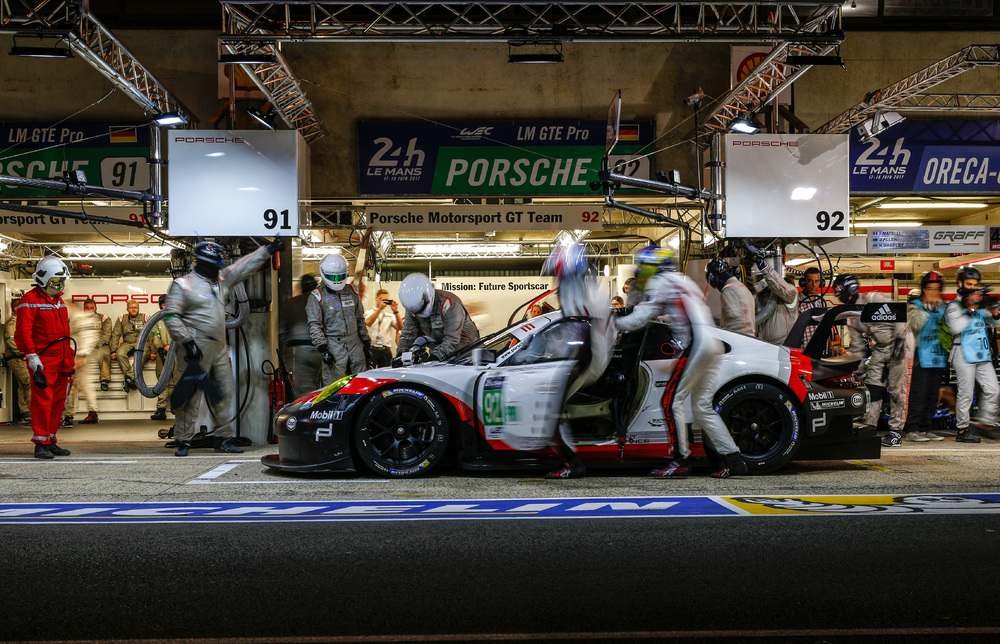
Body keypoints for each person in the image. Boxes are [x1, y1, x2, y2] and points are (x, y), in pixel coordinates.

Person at [615, 246, 747, 479]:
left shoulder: (661, 283)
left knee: (670, 402)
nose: (641, 270)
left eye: (643, 266)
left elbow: (641, 317)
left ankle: (679, 459)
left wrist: (613, 321)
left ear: (652, 266)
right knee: (702, 407)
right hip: (711, 342)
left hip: (696, 344)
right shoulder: (683, 280)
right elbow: (680, 313)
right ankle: (733, 458)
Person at [163, 239, 280, 457]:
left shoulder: (221, 281)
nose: (218, 268)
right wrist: (187, 341)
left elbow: (242, 267)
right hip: (194, 347)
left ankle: (224, 438)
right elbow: (170, 315)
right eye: (214, 265)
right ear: (204, 263)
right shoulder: (183, 284)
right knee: (191, 395)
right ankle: (183, 439)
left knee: (224, 392)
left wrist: (267, 250)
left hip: (218, 346)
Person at [835, 274, 909, 436]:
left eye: (839, 289)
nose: (837, 293)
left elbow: (900, 316)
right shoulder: (851, 318)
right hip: (881, 347)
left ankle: (896, 429)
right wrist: (858, 370)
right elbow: (857, 348)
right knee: (873, 385)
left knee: (896, 389)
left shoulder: (874, 298)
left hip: (901, 342)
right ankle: (870, 424)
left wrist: (900, 341)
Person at [16, 256, 75, 459]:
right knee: (43, 401)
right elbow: (23, 333)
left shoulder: (58, 302)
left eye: (61, 282)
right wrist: (32, 357)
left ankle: (50, 439)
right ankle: (40, 442)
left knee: (59, 401)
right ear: (44, 279)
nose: (60, 286)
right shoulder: (29, 301)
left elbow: (65, 331)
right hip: (43, 360)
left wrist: (69, 359)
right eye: (56, 282)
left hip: (62, 357)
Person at [892, 272, 948, 446]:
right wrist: (927, 308)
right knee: (918, 394)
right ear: (924, 289)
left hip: (938, 357)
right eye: (930, 289)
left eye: (936, 289)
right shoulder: (914, 306)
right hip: (919, 357)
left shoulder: (943, 307)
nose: (933, 292)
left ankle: (925, 427)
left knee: (932, 395)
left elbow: (949, 329)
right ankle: (912, 428)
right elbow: (915, 325)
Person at [946, 267, 1000, 444]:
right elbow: (956, 327)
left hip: (982, 353)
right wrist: (971, 308)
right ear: (960, 284)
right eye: (969, 284)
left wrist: (994, 311)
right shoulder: (954, 306)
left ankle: (986, 423)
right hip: (962, 352)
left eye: (975, 284)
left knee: (993, 389)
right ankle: (963, 428)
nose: (972, 287)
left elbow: (993, 321)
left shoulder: (979, 303)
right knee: (966, 393)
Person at [306, 254, 371, 383]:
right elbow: (314, 325)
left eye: (340, 277)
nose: (336, 280)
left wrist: (366, 341)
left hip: (355, 343)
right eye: (333, 277)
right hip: (333, 346)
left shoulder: (352, 291)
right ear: (324, 273)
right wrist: (323, 349)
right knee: (333, 387)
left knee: (361, 382)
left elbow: (359, 319)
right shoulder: (317, 296)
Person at [397, 273, 480, 362]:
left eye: (421, 309)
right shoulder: (412, 306)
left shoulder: (449, 303)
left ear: (428, 295)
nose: (419, 314)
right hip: (440, 351)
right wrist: (401, 355)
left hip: (466, 352)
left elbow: (452, 339)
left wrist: (434, 358)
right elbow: (408, 334)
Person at [279, 274, 323, 397]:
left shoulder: (291, 303)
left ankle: (307, 414)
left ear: (302, 287)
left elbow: (283, 332)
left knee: (304, 392)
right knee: (324, 389)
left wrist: (284, 355)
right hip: (322, 349)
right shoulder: (322, 303)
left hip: (299, 351)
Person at [745, 244, 798, 345]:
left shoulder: (791, 291)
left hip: (785, 346)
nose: (756, 281)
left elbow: (779, 287)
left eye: (760, 277)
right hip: (765, 346)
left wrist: (765, 268)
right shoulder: (759, 296)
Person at [67, 300, 102, 425]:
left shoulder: (82, 318)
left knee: (72, 385)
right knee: (84, 384)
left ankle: (67, 415)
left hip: (80, 355)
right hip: (79, 354)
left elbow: (89, 336)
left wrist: (82, 355)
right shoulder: (85, 318)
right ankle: (92, 412)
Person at [705, 257, 754, 336]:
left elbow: (733, 324)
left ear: (714, 277)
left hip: (739, 342)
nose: (717, 288)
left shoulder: (728, 290)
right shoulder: (743, 288)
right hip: (751, 340)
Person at [149, 295, 177, 421]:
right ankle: (161, 409)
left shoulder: (177, 317)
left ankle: (178, 406)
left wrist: (172, 346)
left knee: (178, 379)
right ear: (160, 305)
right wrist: (161, 347)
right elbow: (154, 336)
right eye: (163, 304)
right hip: (161, 354)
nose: (165, 306)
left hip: (177, 353)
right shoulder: (156, 319)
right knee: (162, 381)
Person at [111, 300, 147, 392]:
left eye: (135, 307)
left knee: (143, 354)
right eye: (131, 307)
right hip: (127, 342)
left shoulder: (145, 317)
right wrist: (113, 350)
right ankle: (132, 378)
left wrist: (153, 351)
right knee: (120, 353)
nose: (133, 309)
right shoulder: (122, 318)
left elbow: (151, 334)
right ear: (127, 309)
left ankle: (129, 378)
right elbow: (116, 334)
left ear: (138, 309)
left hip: (141, 343)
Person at [4, 298, 30, 424]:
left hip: (21, 357)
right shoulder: (12, 322)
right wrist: (22, 353)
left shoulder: (21, 321)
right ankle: (28, 411)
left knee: (22, 385)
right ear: (14, 308)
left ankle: (25, 412)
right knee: (27, 382)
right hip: (16, 357)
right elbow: (10, 340)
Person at [365, 289, 402, 369]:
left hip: (385, 350)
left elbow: (400, 328)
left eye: (386, 300)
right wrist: (379, 309)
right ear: (376, 299)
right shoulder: (369, 312)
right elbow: (368, 323)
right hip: (372, 349)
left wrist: (396, 311)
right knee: (370, 373)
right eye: (382, 300)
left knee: (386, 373)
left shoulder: (389, 315)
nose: (384, 302)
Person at [797, 267, 829, 347]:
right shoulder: (797, 301)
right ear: (803, 282)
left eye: (816, 281)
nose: (813, 285)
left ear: (821, 283)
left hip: (819, 347)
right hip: (802, 348)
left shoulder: (821, 302)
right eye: (809, 281)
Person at [87, 299, 113, 391]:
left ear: (95, 308)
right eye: (87, 308)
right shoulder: (80, 319)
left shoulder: (103, 318)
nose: (89, 310)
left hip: (100, 345)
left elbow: (107, 335)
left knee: (104, 353)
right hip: (85, 345)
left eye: (91, 308)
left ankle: (104, 380)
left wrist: (95, 344)